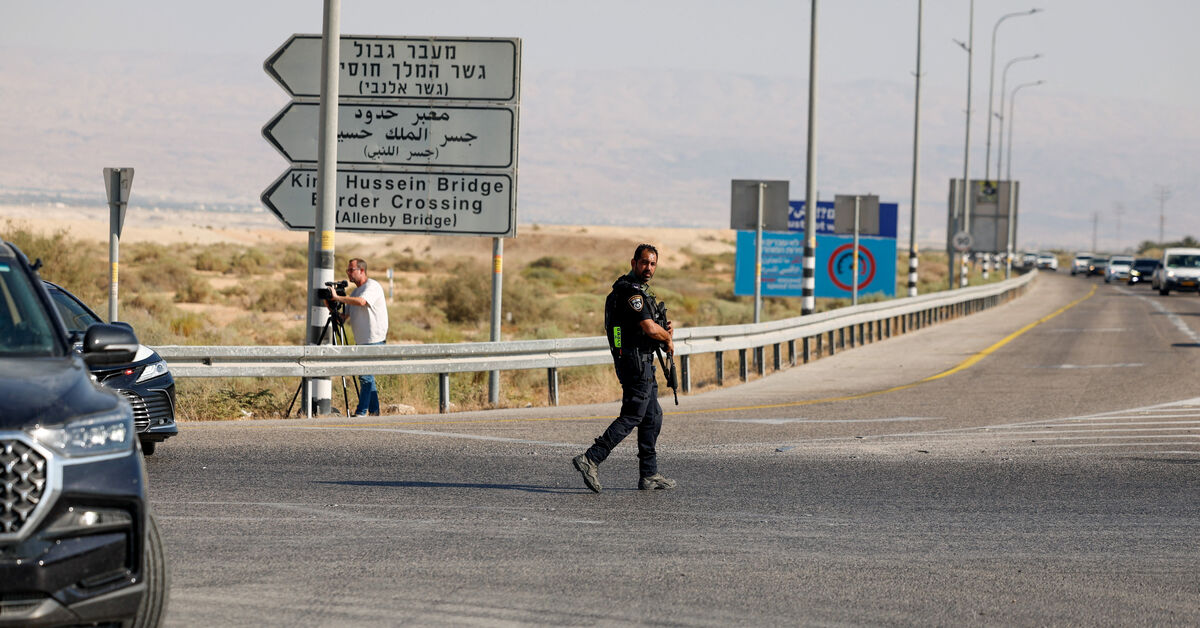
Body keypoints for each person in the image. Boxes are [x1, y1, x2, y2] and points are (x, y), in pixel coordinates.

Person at [573, 244, 677, 493]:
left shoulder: (635, 290)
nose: (648, 267)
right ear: (634, 263)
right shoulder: (631, 292)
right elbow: (649, 328)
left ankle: (649, 474)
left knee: (652, 416)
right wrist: (667, 338)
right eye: (644, 262)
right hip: (635, 364)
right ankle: (591, 458)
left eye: (653, 263)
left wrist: (662, 330)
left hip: (641, 361)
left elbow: (646, 327)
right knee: (633, 415)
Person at [325, 257, 389, 417]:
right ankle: (374, 413)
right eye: (347, 270)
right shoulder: (355, 292)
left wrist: (338, 297)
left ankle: (361, 412)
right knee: (368, 378)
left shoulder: (372, 286)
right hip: (362, 341)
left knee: (365, 376)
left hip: (374, 340)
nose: (348, 273)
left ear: (362, 270)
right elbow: (343, 318)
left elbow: (361, 302)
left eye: (351, 270)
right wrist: (330, 305)